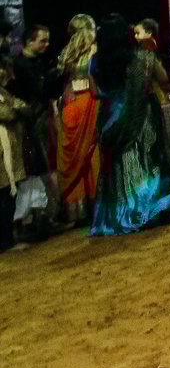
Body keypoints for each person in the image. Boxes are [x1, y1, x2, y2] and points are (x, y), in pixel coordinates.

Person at [90, 14, 170, 235]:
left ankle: (122, 213)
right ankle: (153, 211)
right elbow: (163, 78)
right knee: (147, 161)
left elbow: (95, 92)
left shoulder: (95, 62)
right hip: (142, 113)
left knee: (119, 166)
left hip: (110, 116)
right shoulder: (142, 57)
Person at [9, 25, 61, 237]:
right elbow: (36, 92)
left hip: (41, 118)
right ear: (29, 41)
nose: (47, 45)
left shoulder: (37, 63)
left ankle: (44, 216)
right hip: (30, 123)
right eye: (42, 41)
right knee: (36, 169)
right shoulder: (18, 65)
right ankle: (32, 219)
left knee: (44, 168)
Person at [55, 13, 100, 227]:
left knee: (73, 156)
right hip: (90, 102)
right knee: (93, 155)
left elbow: (64, 83)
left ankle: (77, 211)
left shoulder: (66, 53)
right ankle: (97, 205)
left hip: (70, 106)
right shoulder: (94, 49)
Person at [0, 58, 31, 252]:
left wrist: (15, 108)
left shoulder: (3, 92)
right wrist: (15, 108)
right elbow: (9, 113)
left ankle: (7, 238)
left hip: (9, 148)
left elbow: (24, 107)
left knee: (7, 196)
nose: (4, 72)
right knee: (3, 196)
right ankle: (5, 241)